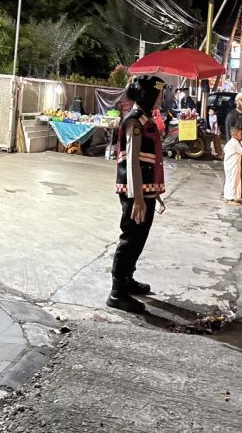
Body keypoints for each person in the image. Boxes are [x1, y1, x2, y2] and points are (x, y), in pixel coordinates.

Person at [107, 75, 167, 314]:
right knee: (130, 238)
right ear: (148, 95)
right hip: (135, 193)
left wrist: (154, 192)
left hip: (144, 191)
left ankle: (127, 280)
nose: (161, 98)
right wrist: (139, 197)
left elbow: (148, 162)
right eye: (159, 93)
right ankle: (117, 292)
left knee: (139, 238)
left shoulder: (145, 119)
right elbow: (131, 163)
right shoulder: (135, 122)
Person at [223, 126, 242, 205]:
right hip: (233, 165)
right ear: (235, 135)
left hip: (231, 165)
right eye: (240, 134)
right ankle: (230, 199)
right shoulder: (235, 143)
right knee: (232, 181)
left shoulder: (231, 142)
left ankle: (235, 196)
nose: (241, 135)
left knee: (234, 180)